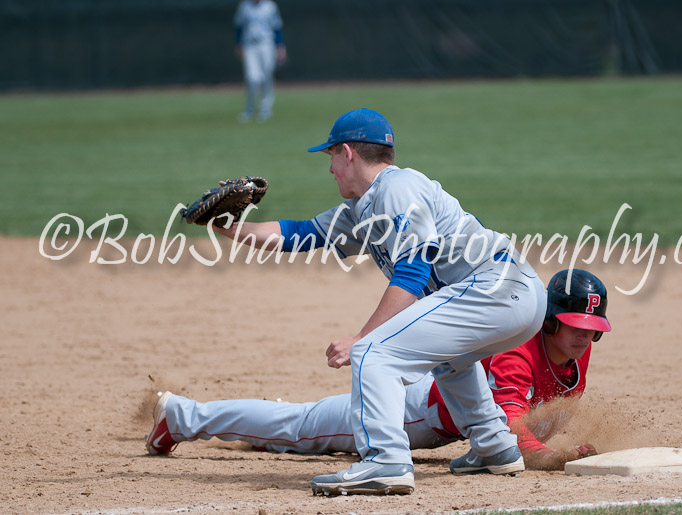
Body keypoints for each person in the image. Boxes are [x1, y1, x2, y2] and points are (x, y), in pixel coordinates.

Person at [173, 107, 548, 496]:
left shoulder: (397, 188)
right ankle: (494, 447)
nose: (330, 168)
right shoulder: (363, 207)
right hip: (511, 296)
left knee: (374, 352)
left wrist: (361, 339)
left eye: (331, 156)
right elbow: (298, 234)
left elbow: (413, 271)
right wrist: (225, 226)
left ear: (348, 153)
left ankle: (385, 460)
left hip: (496, 289)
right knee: (448, 359)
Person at [145, 269, 611, 474]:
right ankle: (183, 416)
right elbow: (512, 426)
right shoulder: (520, 354)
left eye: (591, 330)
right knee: (299, 426)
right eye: (573, 326)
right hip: (415, 415)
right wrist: (551, 457)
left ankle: (250, 421)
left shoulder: (575, 351)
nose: (582, 337)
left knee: (306, 422)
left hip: (436, 411)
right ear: (549, 319)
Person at [234, 0, 286, 122]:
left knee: (267, 75)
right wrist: (238, 45)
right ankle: (250, 109)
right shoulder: (244, 6)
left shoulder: (270, 6)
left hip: (266, 44)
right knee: (252, 78)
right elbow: (239, 27)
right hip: (250, 45)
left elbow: (277, 28)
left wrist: (280, 46)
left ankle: (265, 108)